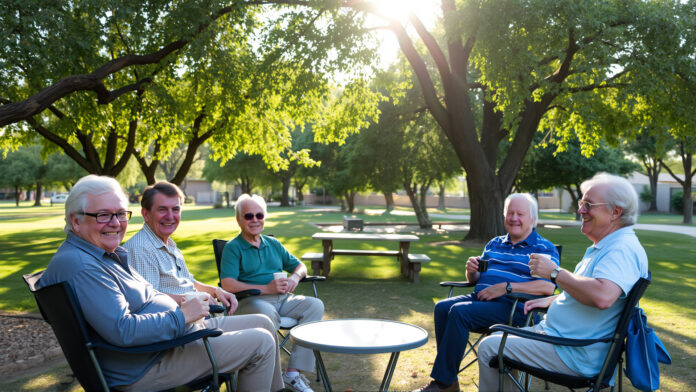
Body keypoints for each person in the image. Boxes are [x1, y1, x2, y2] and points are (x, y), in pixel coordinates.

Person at [39, 175, 285, 391]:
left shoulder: (98, 254)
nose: (115, 223)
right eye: (103, 215)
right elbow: (123, 330)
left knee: (262, 322)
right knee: (260, 341)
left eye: (120, 214)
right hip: (147, 363)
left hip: (165, 343)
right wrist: (182, 315)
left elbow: (145, 298)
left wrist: (186, 301)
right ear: (76, 221)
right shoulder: (83, 266)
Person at [477, 173, 649, 391]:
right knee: (498, 337)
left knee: (490, 346)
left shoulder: (621, 249)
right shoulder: (609, 246)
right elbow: (594, 290)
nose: (580, 211)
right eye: (581, 203)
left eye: (588, 205)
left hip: (573, 351)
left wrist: (555, 273)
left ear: (615, 212)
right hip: (560, 340)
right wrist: (554, 299)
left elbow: (604, 296)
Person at [415, 193, 560, 392]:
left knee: (459, 311)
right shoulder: (494, 243)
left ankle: (443, 383)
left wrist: (507, 287)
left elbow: (547, 287)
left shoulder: (543, 248)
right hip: (482, 300)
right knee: (442, 307)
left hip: (514, 308)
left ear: (533, 219)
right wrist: (471, 271)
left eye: (520, 214)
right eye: (510, 213)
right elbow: (475, 281)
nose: (514, 218)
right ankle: (450, 382)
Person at [220, 194, 324, 392]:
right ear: (239, 219)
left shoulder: (273, 244)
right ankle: (271, 379)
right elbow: (227, 283)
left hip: (283, 299)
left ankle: (293, 373)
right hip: (251, 301)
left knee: (315, 305)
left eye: (259, 215)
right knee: (266, 315)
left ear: (264, 217)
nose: (255, 220)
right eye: (248, 216)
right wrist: (266, 289)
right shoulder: (233, 248)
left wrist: (294, 278)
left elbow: (300, 266)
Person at [124, 181, 237, 312]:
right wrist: (195, 298)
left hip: (200, 319)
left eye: (176, 209)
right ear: (146, 214)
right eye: (162, 209)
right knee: (260, 327)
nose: (170, 216)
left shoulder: (169, 244)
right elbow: (149, 300)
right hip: (181, 328)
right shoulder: (140, 248)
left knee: (262, 322)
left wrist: (217, 291)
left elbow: (188, 282)